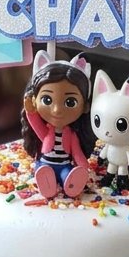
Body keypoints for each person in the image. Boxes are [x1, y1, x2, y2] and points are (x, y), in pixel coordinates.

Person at [20, 52, 94, 199]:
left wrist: (83, 165)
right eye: (47, 100)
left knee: (67, 174)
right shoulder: (46, 133)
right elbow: (35, 124)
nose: (56, 110)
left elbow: (77, 152)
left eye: (70, 102)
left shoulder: (72, 135)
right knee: (43, 170)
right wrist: (30, 112)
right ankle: (47, 183)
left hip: (65, 165)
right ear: (35, 100)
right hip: (45, 163)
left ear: (85, 106)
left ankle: (70, 183)